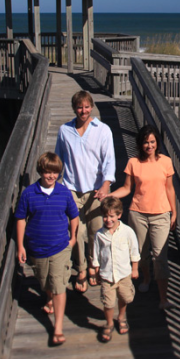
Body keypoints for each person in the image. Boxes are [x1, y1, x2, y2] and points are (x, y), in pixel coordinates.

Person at [107, 125, 177, 310]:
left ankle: (163, 298)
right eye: (146, 142)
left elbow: (170, 189)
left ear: (157, 143)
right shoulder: (133, 162)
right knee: (141, 253)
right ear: (141, 143)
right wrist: (109, 195)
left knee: (160, 257)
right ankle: (146, 278)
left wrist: (174, 212)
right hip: (138, 214)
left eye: (152, 142)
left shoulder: (166, 162)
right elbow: (126, 189)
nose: (149, 146)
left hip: (161, 214)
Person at [15, 152, 80, 346]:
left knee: (59, 286)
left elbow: (74, 215)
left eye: (54, 172)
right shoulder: (29, 193)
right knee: (45, 283)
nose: (51, 176)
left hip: (60, 247)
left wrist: (73, 237)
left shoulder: (64, 193)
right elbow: (20, 219)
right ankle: (49, 297)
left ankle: (58, 328)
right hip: (37, 248)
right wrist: (20, 246)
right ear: (40, 171)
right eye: (47, 172)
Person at [55, 90, 116, 294]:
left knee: (95, 230)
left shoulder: (103, 130)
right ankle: (81, 268)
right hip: (72, 188)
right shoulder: (64, 130)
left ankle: (93, 265)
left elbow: (109, 160)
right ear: (74, 108)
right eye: (80, 107)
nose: (84, 111)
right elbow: (58, 159)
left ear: (92, 107)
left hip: (96, 189)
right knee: (76, 231)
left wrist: (106, 185)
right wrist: (53, 184)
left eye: (87, 107)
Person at [91, 197, 139, 343]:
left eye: (112, 216)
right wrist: (96, 271)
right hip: (107, 275)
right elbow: (96, 254)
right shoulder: (99, 235)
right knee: (108, 302)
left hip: (124, 273)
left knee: (125, 297)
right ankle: (109, 323)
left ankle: (121, 317)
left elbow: (134, 251)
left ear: (119, 215)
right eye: (105, 216)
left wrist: (135, 269)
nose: (108, 220)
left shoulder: (127, 232)